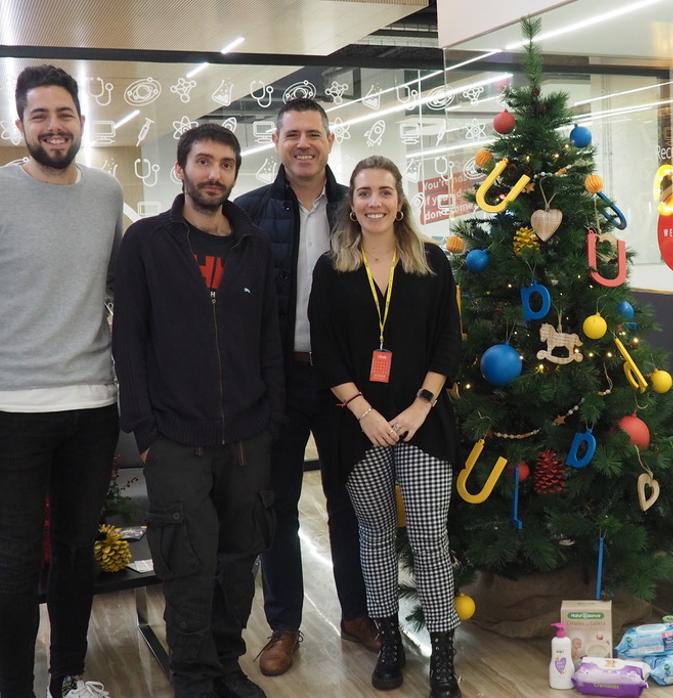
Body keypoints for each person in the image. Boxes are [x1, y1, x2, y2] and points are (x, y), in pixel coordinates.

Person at [0, 64, 122, 698]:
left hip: (93, 405)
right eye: (39, 116)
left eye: (63, 114)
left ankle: (70, 676)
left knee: (76, 551)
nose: (53, 126)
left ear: (80, 121)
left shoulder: (105, 193)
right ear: (19, 125)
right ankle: (16, 687)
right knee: (18, 562)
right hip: (8, 411)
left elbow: (122, 289)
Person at [112, 124, 283, 698]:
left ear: (236, 173)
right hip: (175, 437)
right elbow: (128, 340)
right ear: (180, 169)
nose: (215, 174)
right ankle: (191, 675)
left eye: (227, 164)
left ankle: (225, 666)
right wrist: (145, 429)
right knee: (187, 561)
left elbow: (269, 339)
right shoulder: (146, 243)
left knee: (239, 561)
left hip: (247, 435)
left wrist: (273, 419)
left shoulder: (252, 245)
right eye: (203, 162)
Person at [234, 98, 378, 677]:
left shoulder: (357, 209)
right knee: (278, 506)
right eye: (291, 134)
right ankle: (285, 624)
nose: (302, 144)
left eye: (312, 134)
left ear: (329, 140)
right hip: (279, 379)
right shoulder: (248, 213)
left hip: (348, 381)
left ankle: (360, 614)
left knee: (351, 502)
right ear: (276, 142)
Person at [308, 156, 462, 698]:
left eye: (385, 192)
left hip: (424, 421)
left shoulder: (432, 264)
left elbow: (448, 341)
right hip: (359, 427)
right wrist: (364, 412)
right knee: (374, 535)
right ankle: (391, 643)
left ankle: (443, 655)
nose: (374, 202)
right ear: (352, 202)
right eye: (364, 192)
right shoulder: (331, 269)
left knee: (427, 535)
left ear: (401, 202)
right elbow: (324, 353)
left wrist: (422, 404)